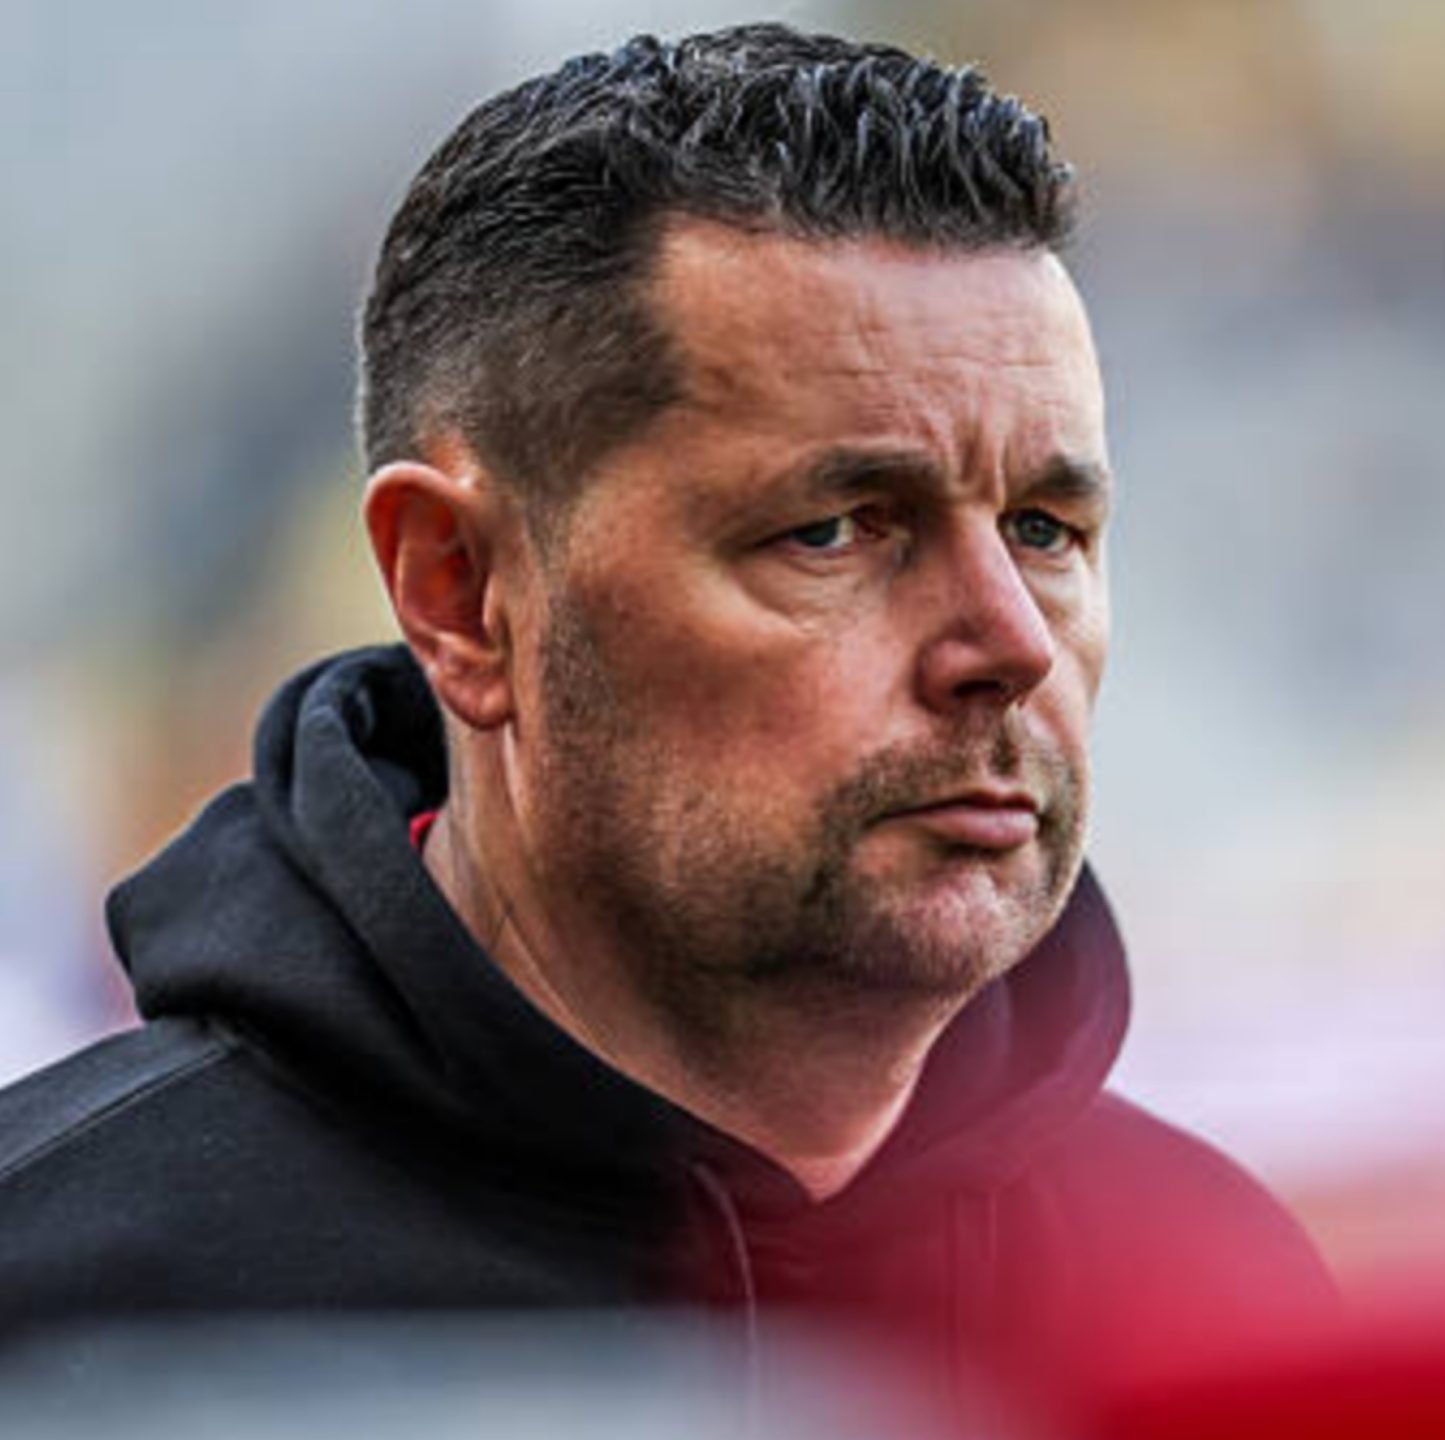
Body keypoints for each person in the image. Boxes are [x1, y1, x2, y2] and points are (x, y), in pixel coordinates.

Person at [0, 21, 1330, 1405]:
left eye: (1046, 529)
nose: (1009, 644)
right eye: (834, 529)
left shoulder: (1220, 1287)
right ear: (462, 592)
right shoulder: (61, 1312)